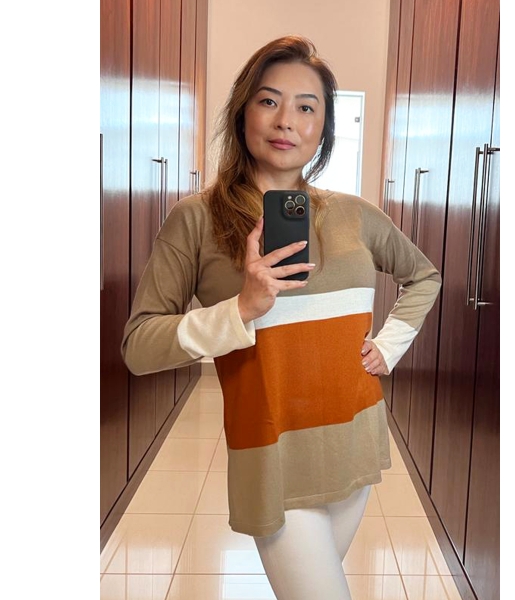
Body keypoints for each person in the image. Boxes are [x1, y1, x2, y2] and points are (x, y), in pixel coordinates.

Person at [122, 35, 441, 600]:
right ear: (242, 111)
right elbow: (139, 346)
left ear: (324, 128)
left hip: (355, 440)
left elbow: (424, 276)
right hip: (271, 456)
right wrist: (241, 308)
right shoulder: (195, 220)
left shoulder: (356, 215)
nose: (286, 120)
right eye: (268, 100)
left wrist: (390, 345)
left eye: (306, 107)